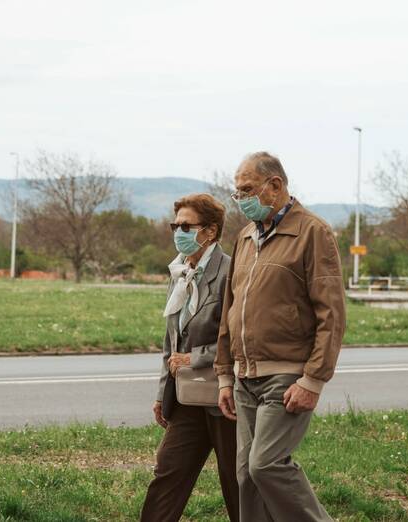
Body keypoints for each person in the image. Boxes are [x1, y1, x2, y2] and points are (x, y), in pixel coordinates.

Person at [214, 152, 346, 521]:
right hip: (245, 376)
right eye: (238, 192)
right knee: (246, 476)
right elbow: (230, 308)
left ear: (275, 186)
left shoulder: (313, 232)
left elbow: (331, 313)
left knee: (266, 465)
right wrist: (224, 375)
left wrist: (313, 380)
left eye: (247, 190)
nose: (241, 199)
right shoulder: (245, 236)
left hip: (287, 375)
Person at [141, 193, 239, 522]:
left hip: (224, 397)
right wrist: (162, 394)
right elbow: (170, 341)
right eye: (175, 226)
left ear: (210, 231)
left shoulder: (230, 272)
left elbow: (239, 338)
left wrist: (194, 358)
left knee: (236, 483)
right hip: (186, 397)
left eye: (186, 226)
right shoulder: (180, 272)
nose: (178, 232)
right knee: (167, 473)